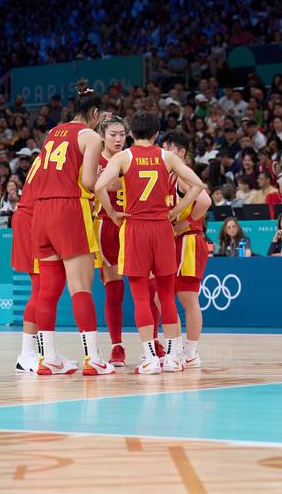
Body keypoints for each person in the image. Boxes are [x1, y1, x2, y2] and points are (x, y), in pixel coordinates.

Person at [95, 112, 205, 374]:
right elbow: (198, 185)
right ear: (157, 134)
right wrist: (176, 210)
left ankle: (149, 359)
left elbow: (99, 185)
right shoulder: (166, 157)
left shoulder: (124, 157)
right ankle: (173, 358)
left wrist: (111, 213)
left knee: (141, 297)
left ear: (131, 133)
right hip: (162, 229)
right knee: (166, 295)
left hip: (135, 228)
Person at [30, 89, 113, 376]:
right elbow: (89, 181)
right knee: (80, 286)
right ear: (94, 113)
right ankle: (93, 358)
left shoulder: (52, 132)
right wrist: (111, 181)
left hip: (41, 212)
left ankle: (48, 358)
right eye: (100, 116)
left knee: (47, 290)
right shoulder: (90, 136)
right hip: (68, 209)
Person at [163, 130, 212, 369]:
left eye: (170, 148)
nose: (165, 152)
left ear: (181, 152)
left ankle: (191, 352)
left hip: (189, 240)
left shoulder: (181, 174)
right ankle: (176, 348)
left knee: (188, 298)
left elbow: (204, 201)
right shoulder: (169, 174)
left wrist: (187, 221)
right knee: (165, 296)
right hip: (175, 241)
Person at [94, 114, 133, 368]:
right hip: (106, 224)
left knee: (148, 287)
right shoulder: (93, 159)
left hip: (133, 223)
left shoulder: (132, 157)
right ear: (102, 136)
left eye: (122, 135)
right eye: (113, 135)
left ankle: (155, 343)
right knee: (114, 287)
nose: (118, 139)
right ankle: (116, 345)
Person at [9, 154, 49, 371]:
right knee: (40, 289)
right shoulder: (57, 156)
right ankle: (26, 354)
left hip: (34, 218)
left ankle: (44, 351)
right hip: (31, 220)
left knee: (44, 288)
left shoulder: (49, 155)